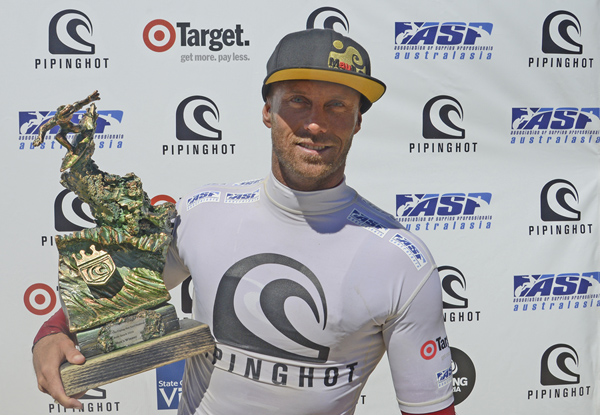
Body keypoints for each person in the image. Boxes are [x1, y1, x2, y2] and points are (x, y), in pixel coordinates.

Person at [32, 29, 456, 415]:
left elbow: (430, 410)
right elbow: (122, 289)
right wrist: (52, 332)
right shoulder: (202, 213)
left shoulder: (401, 259)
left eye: (337, 106)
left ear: (358, 121)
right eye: (298, 101)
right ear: (267, 111)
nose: (315, 123)